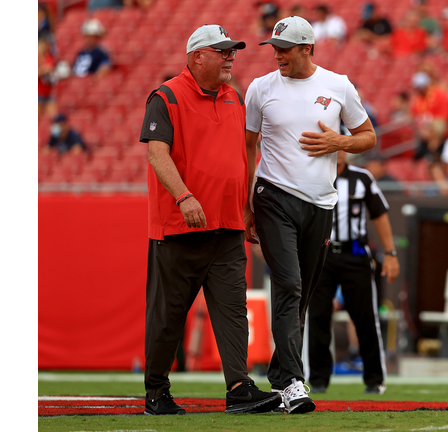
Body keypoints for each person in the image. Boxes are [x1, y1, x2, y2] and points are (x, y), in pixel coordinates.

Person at [139, 24, 280, 416]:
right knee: (168, 316)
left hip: (228, 228)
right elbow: (156, 154)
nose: (231, 56)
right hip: (180, 229)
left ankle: (239, 387)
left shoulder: (234, 97)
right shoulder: (166, 96)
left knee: (234, 310)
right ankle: (156, 393)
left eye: (232, 50)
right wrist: (183, 196)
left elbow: (241, 160)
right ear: (196, 56)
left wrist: (247, 208)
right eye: (222, 51)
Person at [245, 15, 376, 414]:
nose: (278, 55)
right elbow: (247, 148)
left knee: (299, 295)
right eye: (274, 48)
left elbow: (369, 136)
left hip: (321, 203)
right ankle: (291, 383)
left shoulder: (338, 84)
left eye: (285, 48)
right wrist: (246, 200)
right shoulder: (259, 88)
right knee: (288, 286)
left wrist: (340, 141)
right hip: (273, 197)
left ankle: (279, 374)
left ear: (307, 48)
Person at [306, 150, 399, 395]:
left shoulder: (362, 178)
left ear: (347, 149)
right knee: (317, 317)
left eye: (341, 146)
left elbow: (379, 214)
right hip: (321, 255)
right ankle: (316, 379)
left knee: (365, 317)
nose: (337, 153)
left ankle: (374, 379)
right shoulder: (310, 174)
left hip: (355, 254)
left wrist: (391, 253)